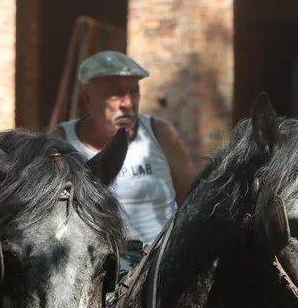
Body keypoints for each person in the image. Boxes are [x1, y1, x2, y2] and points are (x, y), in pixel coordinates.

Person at [55, 51, 197, 273]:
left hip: (160, 265)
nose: (128, 103)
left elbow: (193, 202)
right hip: (93, 269)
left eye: (134, 92)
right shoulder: (63, 142)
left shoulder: (161, 134)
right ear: (87, 100)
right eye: (115, 94)